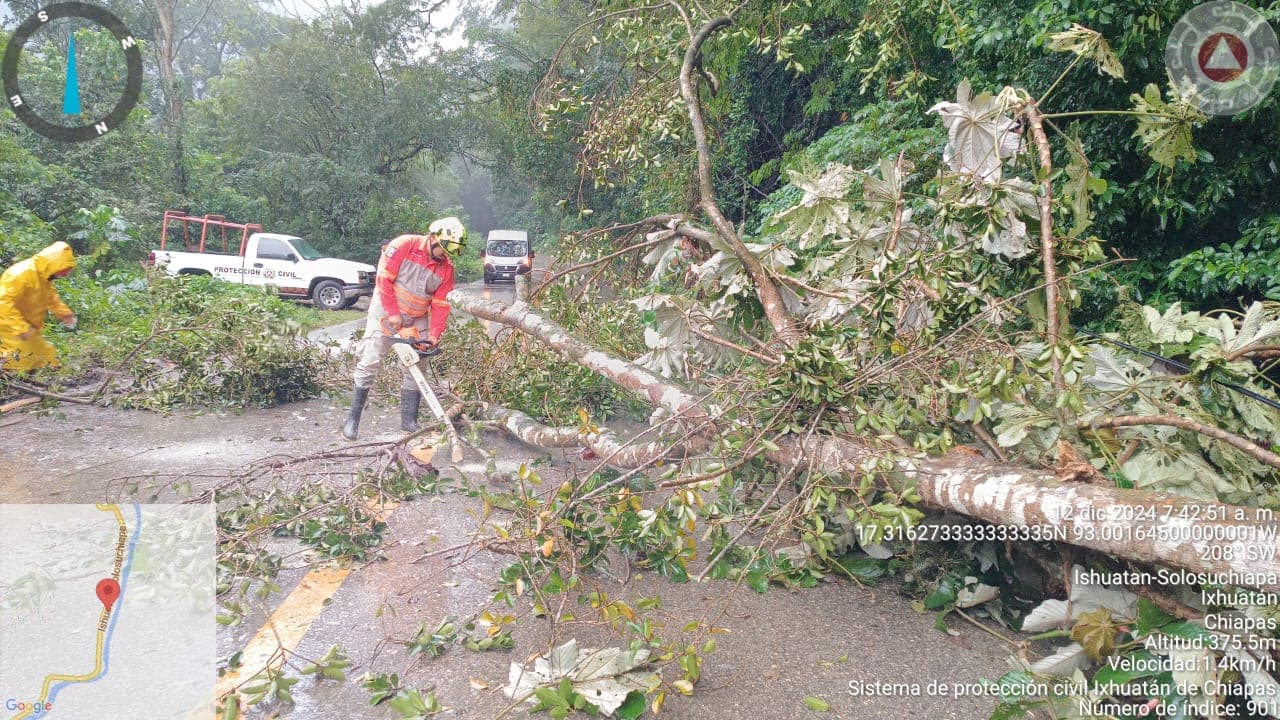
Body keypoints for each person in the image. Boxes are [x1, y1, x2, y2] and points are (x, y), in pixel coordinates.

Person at [341, 219, 464, 440]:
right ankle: (352, 420)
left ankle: (408, 421)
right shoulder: (404, 245)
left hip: (417, 317)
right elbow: (383, 280)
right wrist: (392, 312)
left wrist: (434, 335)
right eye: (442, 250)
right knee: (370, 359)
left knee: (417, 363)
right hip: (386, 309)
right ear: (433, 237)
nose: (443, 256)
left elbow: (440, 305)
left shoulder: (446, 268)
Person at [0, 241, 77, 372]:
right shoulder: (20, 274)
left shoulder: (43, 276)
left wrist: (64, 313)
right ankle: (14, 385)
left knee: (47, 356)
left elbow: (50, 297)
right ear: (52, 266)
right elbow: (3, 302)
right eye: (62, 272)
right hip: (11, 326)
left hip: (29, 327)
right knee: (19, 361)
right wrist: (21, 328)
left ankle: (42, 382)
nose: (62, 276)